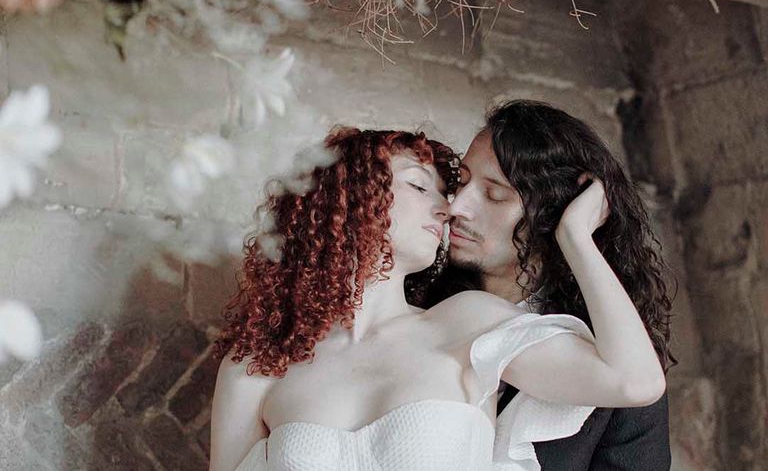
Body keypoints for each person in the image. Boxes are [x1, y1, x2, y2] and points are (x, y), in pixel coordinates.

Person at [209, 126, 666, 471]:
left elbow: (636, 383)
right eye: (418, 186)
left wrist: (576, 236)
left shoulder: (467, 320)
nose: (448, 207)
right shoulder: (255, 365)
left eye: (443, 192)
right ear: (347, 197)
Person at [418, 100, 675, 470]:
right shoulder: (420, 310)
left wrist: (575, 237)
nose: (457, 207)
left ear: (551, 212)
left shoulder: (622, 357)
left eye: (495, 195)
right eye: (462, 182)